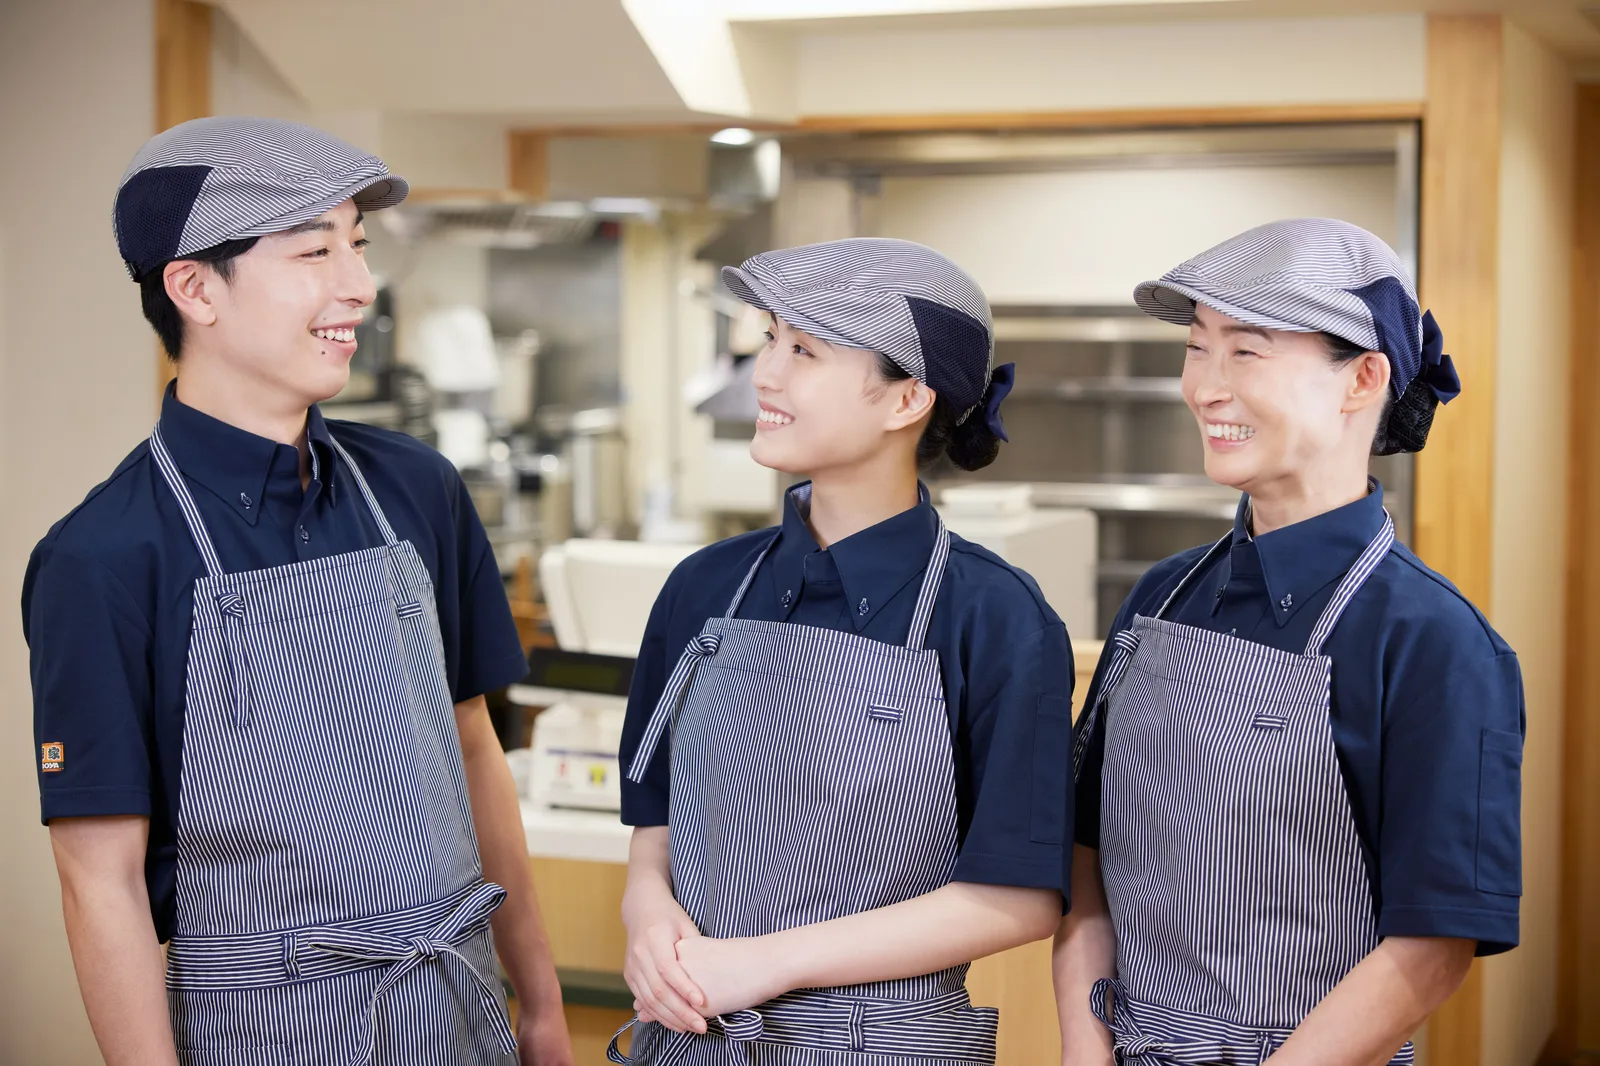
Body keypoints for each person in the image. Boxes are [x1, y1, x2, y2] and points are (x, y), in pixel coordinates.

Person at [23, 117, 573, 1066]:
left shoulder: (417, 488)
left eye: (356, 245)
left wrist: (543, 1007)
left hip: (459, 1012)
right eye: (314, 250)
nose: (357, 285)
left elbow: (475, 751)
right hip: (264, 1034)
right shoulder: (104, 555)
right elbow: (98, 882)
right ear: (194, 287)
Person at [1055, 218, 1524, 1066]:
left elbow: (1430, 949)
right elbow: (1087, 854)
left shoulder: (1434, 644)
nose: (1204, 386)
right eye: (1199, 348)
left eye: (1247, 351)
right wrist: (1084, 1049)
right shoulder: (1165, 595)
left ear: (1363, 379)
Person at [611, 238, 1075, 1064]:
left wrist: (759, 966)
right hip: (688, 1036)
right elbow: (657, 822)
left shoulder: (996, 618)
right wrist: (648, 918)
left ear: (906, 400)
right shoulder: (704, 587)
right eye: (770, 341)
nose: (766, 374)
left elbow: (1019, 895)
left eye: (805, 350)